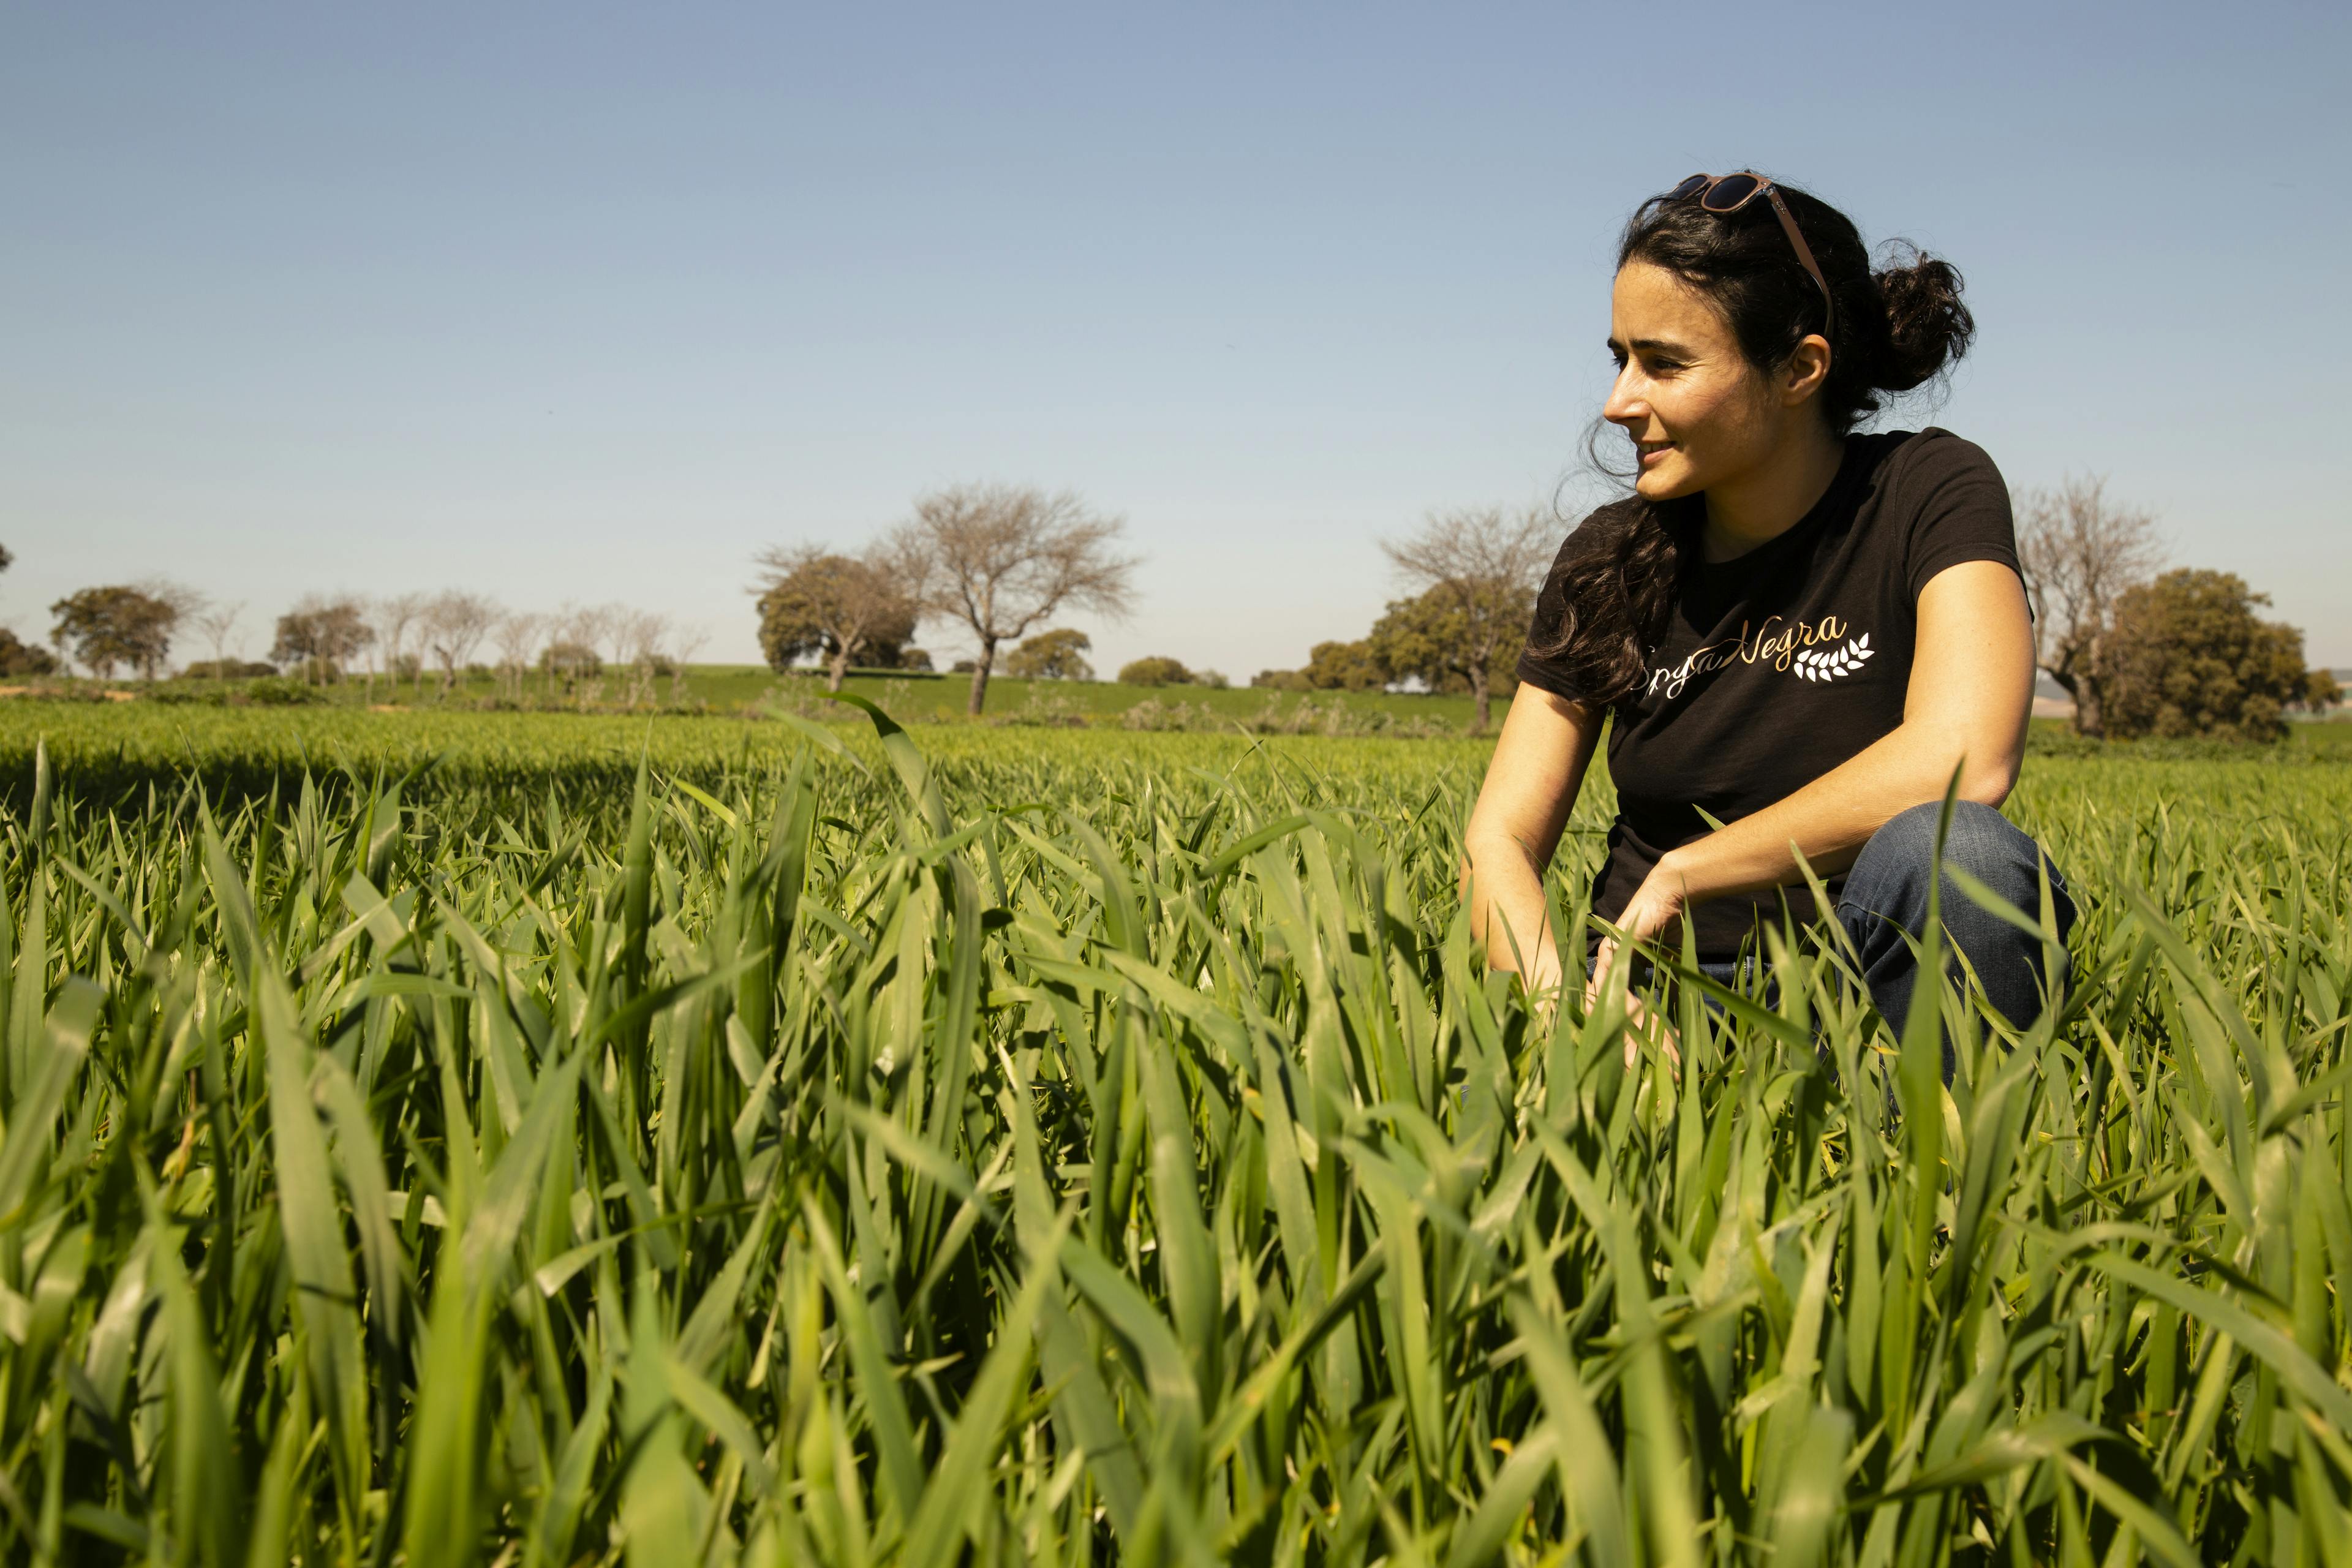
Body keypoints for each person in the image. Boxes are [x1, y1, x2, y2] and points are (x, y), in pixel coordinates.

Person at [1461, 172, 2075, 1060]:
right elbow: (1500, 836)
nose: (1618, 401)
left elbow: (1965, 760)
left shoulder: (1928, 490)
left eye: (1664, 364)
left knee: (1966, 858)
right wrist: (1563, 1014)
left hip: (1863, 992)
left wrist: (1688, 870)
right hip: (1659, 1001)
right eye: (1619, 358)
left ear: (1799, 369)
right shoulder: (1611, 555)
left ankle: (1946, 1178)